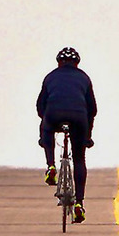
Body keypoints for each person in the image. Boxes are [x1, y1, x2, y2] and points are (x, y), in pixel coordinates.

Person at [36, 47, 97, 223]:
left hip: (54, 115)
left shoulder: (50, 77)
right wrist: (87, 136)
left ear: (58, 62)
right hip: (78, 118)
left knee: (46, 127)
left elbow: (40, 106)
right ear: (77, 63)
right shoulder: (84, 78)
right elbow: (92, 109)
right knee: (79, 159)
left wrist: (46, 122)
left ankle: (51, 165)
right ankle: (79, 203)